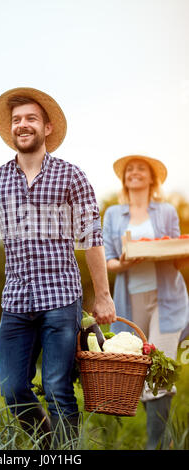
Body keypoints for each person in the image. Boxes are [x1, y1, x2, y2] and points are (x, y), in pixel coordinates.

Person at [0, 87, 116, 449]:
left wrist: (103, 296)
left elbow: (91, 237)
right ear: (10, 129)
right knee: (12, 390)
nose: (22, 125)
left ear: (48, 127)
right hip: (16, 302)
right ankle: (50, 449)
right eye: (16, 120)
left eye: (30, 119)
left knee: (58, 387)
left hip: (61, 299)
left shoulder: (71, 176)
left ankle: (66, 454)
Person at [103, 154, 189, 450]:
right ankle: (160, 439)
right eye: (130, 169)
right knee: (136, 370)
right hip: (130, 300)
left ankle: (157, 444)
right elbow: (107, 261)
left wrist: (181, 252)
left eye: (141, 169)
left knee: (160, 370)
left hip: (167, 300)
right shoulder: (114, 214)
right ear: (124, 178)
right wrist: (126, 261)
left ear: (152, 178)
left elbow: (176, 256)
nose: (135, 173)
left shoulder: (166, 211)